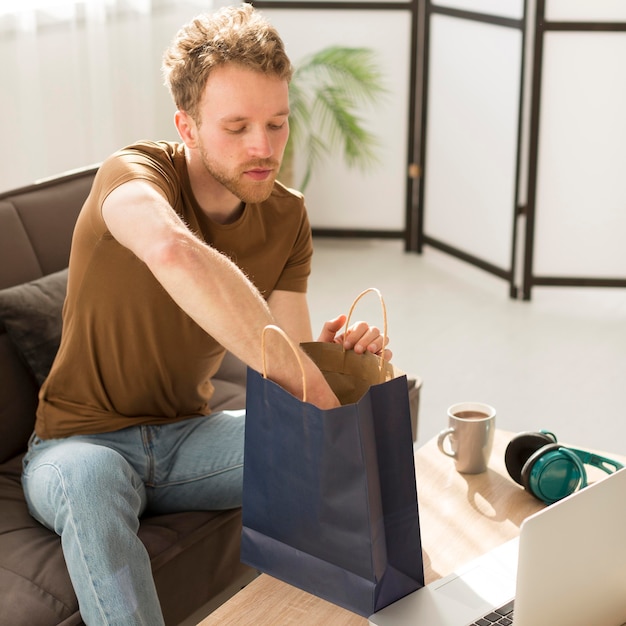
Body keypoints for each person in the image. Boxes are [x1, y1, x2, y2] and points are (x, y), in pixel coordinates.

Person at [21, 4, 390, 625]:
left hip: (188, 439)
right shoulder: (134, 178)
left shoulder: (287, 215)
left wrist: (323, 363)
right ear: (186, 127)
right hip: (77, 442)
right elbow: (172, 250)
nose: (263, 147)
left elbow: (288, 369)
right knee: (91, 484)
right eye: (238, 126)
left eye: (277, 124)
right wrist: (317, 393)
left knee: (328, 452)